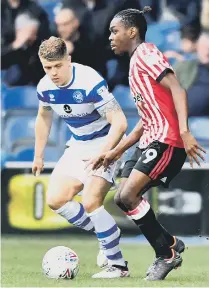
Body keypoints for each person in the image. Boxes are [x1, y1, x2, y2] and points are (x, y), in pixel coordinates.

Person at [88, 7, 206, 281]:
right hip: (149, 137)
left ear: (132, 31)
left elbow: (178, 88)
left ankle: (166, 256)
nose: (111, 37)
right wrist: (116, 150)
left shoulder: (147, 54)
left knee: (127, 197)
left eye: (114, 31)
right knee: (122, 197)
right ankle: (171, 244)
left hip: (166, 140)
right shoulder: (135, 61)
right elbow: (148, 116)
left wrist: (186, 132)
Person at [32, 36, 130, 279]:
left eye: (58, 66)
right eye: (47, 67)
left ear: (69, 60)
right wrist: (38, 155)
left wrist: (105, 152)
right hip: (78, 145)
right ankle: (105, 234)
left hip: (107, 143)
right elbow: (44, 117)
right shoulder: (45, 87)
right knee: (55, 199)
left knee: (90, 201)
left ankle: (117, 266)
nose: (53, 73)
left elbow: (119, 122)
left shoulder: (89, 82)